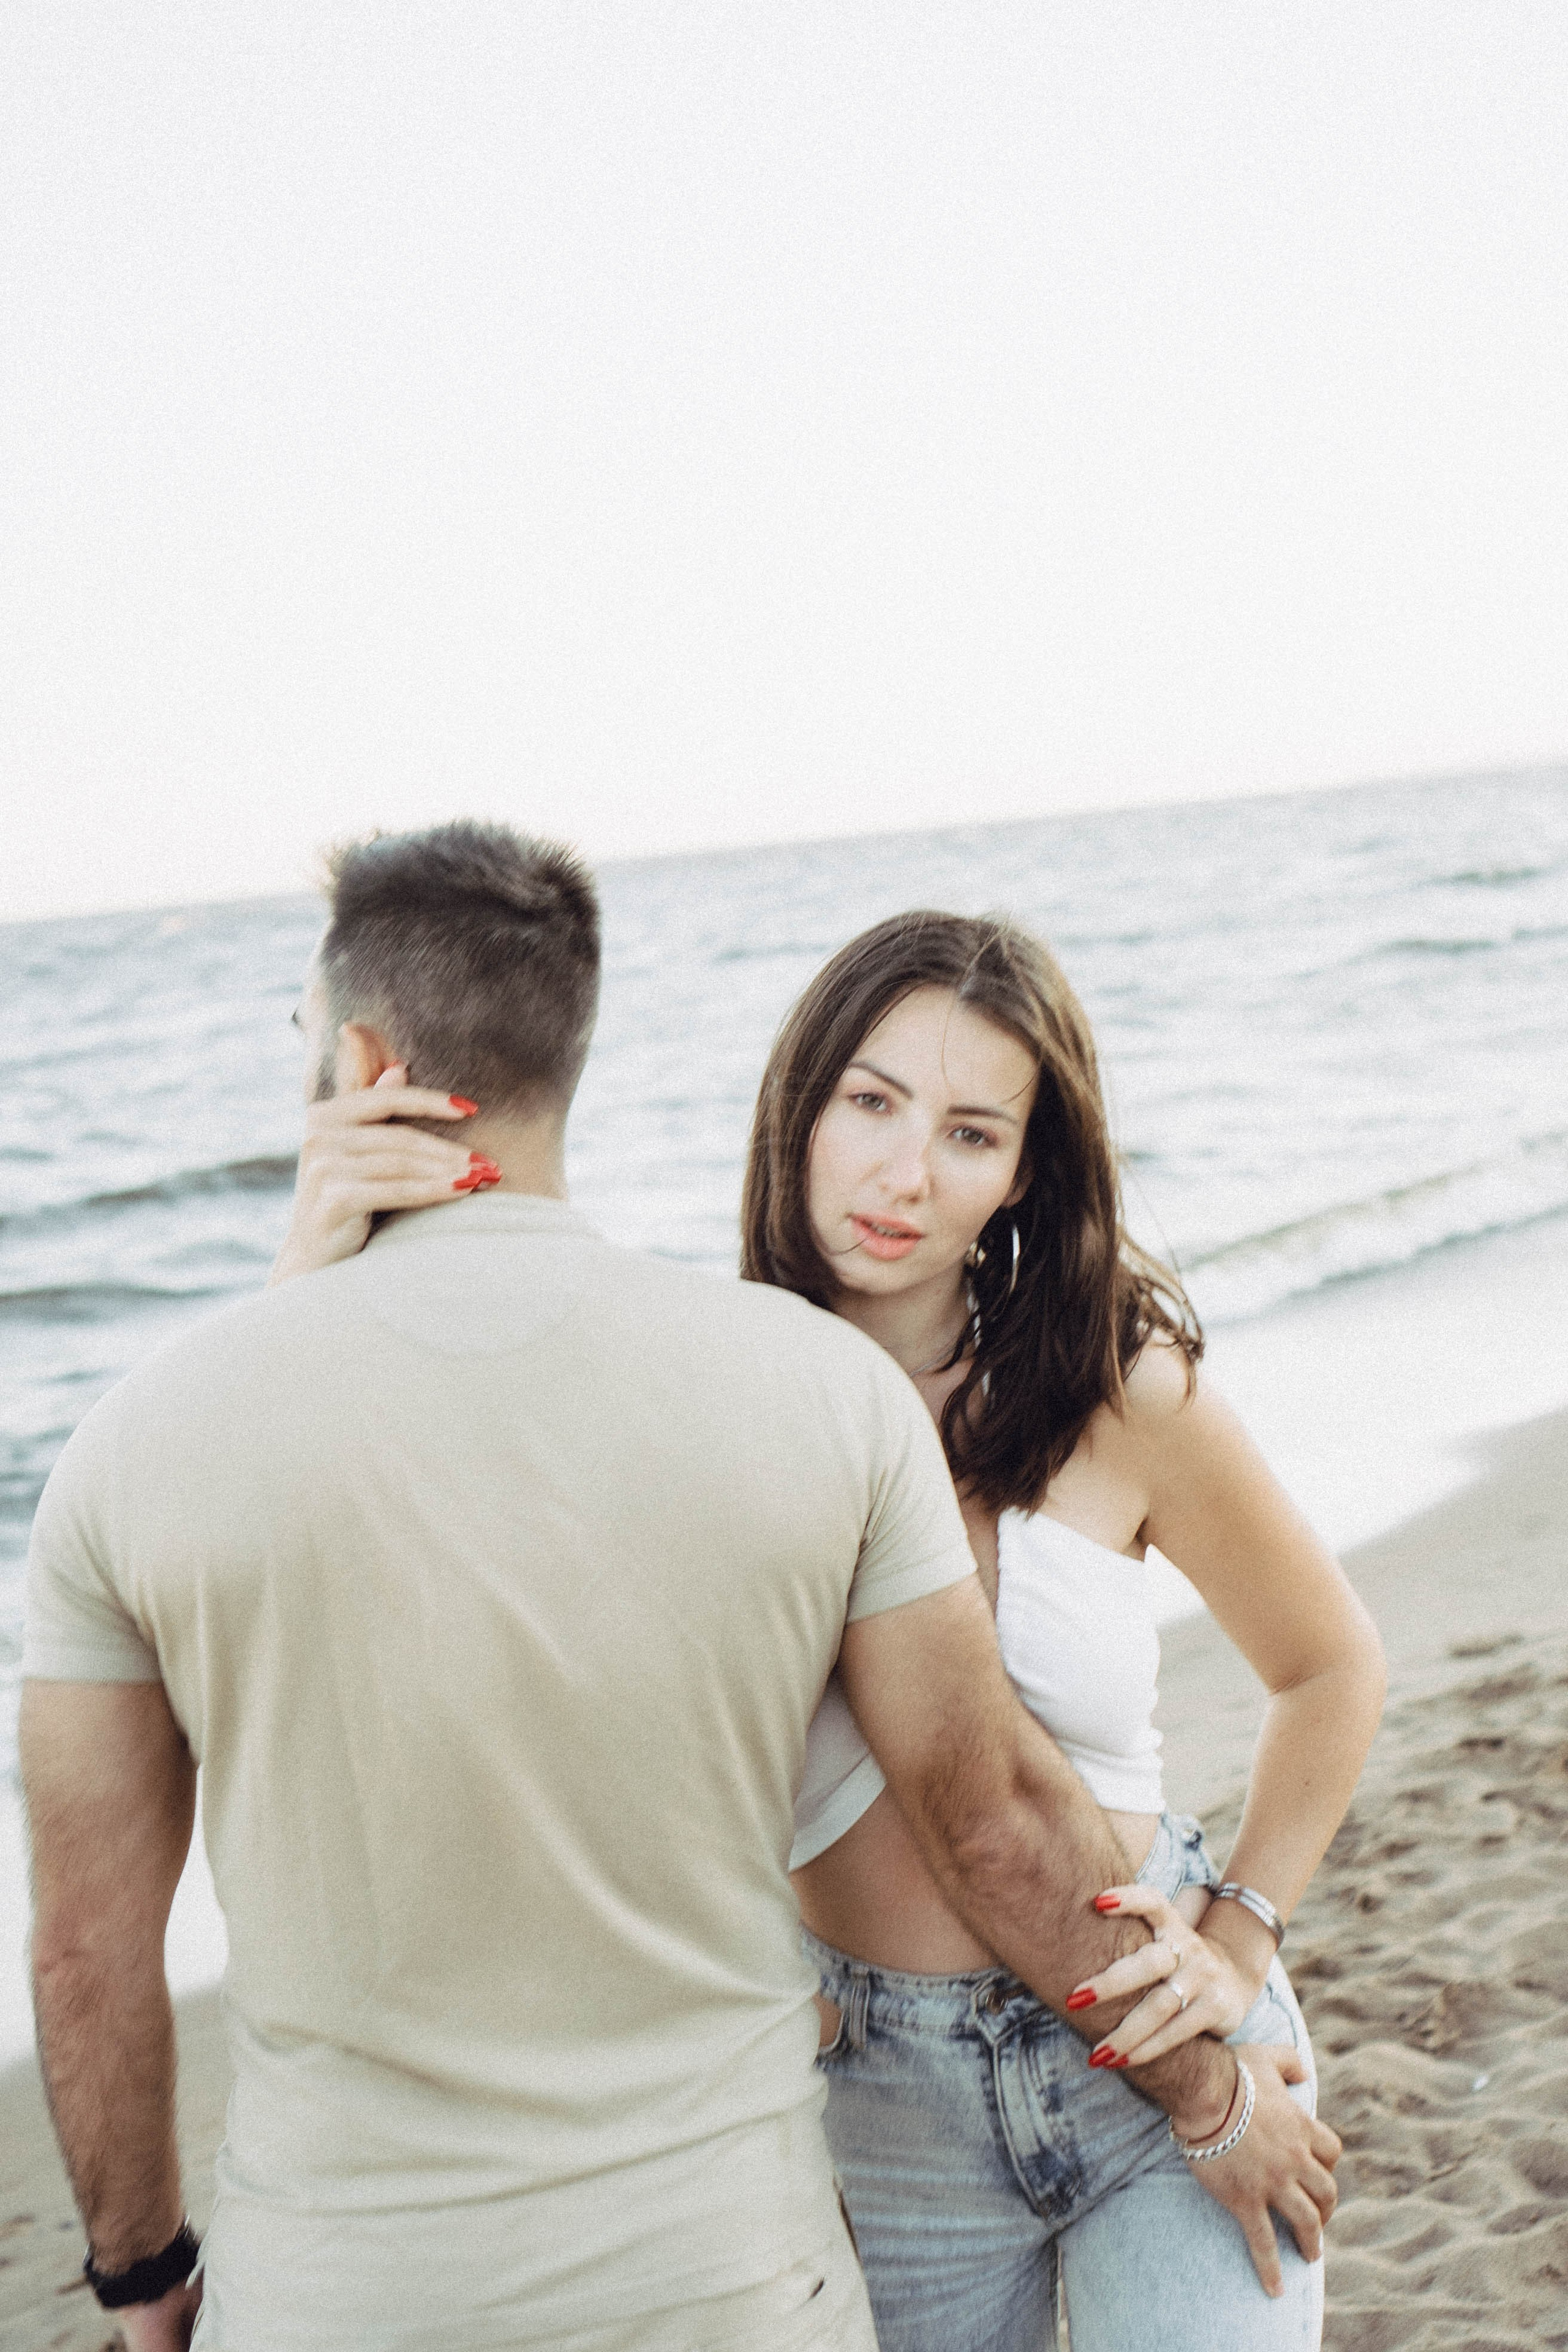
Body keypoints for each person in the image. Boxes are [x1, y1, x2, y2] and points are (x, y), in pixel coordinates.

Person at [20, 832, 1340, 2352]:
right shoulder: (720, 1387)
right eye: (869, 1103)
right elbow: (487, 1668)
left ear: (1023, 1170)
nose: (905, 1172)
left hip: (1154, 2018)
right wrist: (307, 1303)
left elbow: (1152, 1746)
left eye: (971, 1132)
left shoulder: (1087, 1387)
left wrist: (1234, 1962)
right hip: (886, 2094)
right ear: (798, 1104)